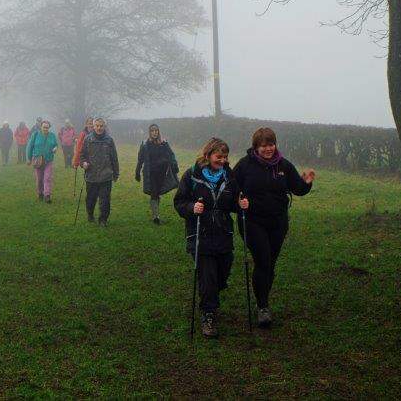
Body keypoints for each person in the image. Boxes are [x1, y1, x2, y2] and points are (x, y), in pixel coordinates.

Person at [233, 127, 315, 328]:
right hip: (252, 221)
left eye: (271, 144)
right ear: (256, 147)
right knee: (262, 260)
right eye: (263, 145)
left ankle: (263, 299)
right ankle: (263, 307)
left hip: (278, 222)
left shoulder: (284, 166)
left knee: (270, 263)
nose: (268, 149)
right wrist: (238, 202)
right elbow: (231, 190)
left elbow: (297, 188)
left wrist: (307, 183)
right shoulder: (245, 166)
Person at [174, 137, 240, 339]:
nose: (223, 160)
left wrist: (241, 204)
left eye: (225, 157)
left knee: (222, 273)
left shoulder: (229, 176)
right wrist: (192, 208)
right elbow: (179, 202)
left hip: (223, 234)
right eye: (219, 156)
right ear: (208, 155)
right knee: (208, 277)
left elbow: (233, 202)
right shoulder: (192, 175)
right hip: (200, 234)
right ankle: (208, 315)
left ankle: (210, 294)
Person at [135, 124, 179, 225]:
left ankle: (156, 214)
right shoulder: (145, 144)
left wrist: (174, 166)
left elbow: (171, 155)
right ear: (149, 132)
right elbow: (140, 159)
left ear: (159, 132)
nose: (154, 133)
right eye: (152, 131)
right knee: (154, 193)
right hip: (151, 173)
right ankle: (155, 217)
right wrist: (137, 172)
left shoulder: (164, 143)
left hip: (163, 173)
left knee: (158, 193)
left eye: (156, 131)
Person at [79, 118, 119, 226]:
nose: (99, 128)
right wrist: (83, 163)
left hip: (106, 175)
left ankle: (103, 220)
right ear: (93, 126)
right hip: (91, 175)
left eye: (101, 126)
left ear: (104, 126)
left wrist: (116, 173)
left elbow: (114, 158)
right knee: (90, 199)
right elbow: (81, 156)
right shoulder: (88, 139)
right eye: (97, 126)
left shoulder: (109, 140)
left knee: (105, 200)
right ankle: (90, 214)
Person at [26, 120, 58, 203]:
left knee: (47, 178)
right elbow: (29, 146)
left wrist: (55, 148)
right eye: (44, 127)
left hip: (48, 160)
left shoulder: (52, 135)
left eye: (47, 127)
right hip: (38, 160)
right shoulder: (35, 135)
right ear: (41, 127)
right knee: (39, 179)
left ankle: (47, 195)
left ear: (49, 128)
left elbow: (55, 144)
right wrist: (28, 158)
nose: (45, 129)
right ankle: (40, 193)